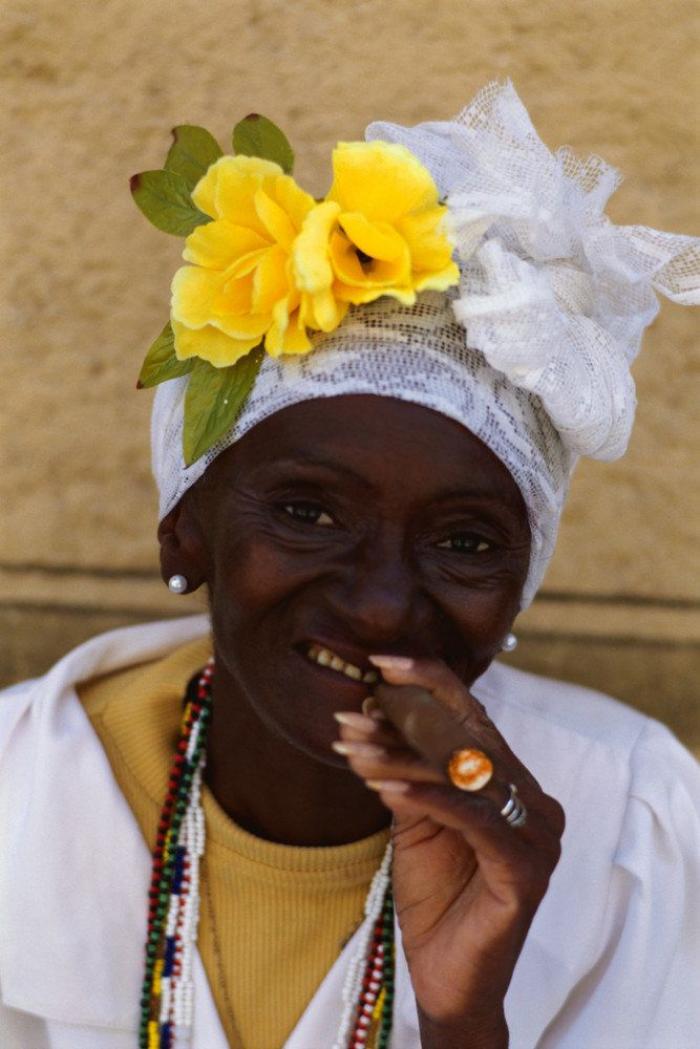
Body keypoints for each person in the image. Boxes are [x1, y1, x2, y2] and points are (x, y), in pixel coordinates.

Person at [1, 81, 698, 1049]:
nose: (378, 604)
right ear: (184, 528)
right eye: (304, 511)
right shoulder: (22, 788)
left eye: (465, 541)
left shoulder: (638, 826)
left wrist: (463, 1019)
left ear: (522, 582)